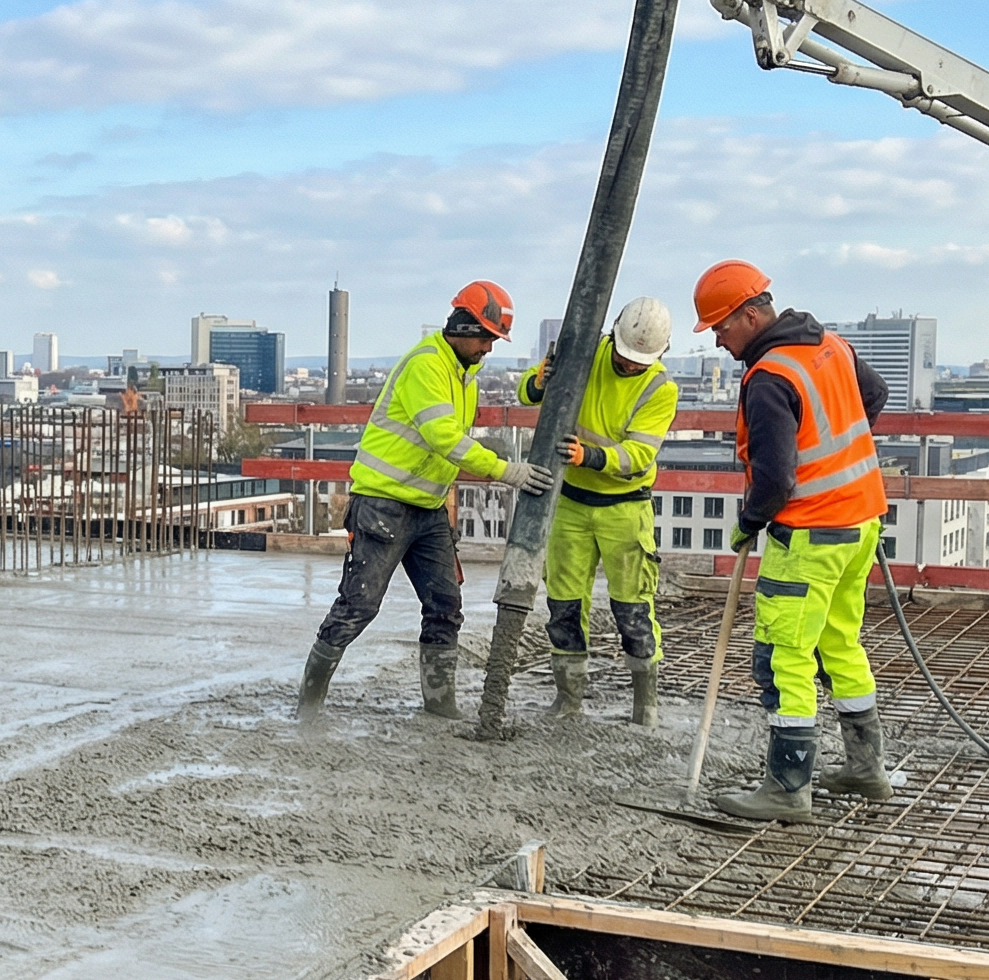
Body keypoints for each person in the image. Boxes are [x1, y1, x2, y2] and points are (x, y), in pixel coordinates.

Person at [297, 281, 557, 721]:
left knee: (445, 605)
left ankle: (441, 706)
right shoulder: (427, 366)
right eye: (487, 337)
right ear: (464, 327)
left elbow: (478, 422)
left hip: (428, 509)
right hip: (383, 504)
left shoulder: (463, 375)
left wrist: (538, 381)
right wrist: (505, 470)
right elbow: (443, 438)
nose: (489, 348)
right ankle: (309, 703)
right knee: (358, 606)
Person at [692, 260, 892, 823]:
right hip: (861, 523)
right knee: (840, 645)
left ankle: (787, 787)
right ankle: (866, 769)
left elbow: (776, 479)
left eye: (721, 326)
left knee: (785, 657)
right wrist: (839, 464)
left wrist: (751, 519)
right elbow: (872, 397)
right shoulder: (831, 345)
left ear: (752, 314)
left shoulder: (770, 378)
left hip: (807, 535)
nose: (717, 337)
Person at [519, 297, 679, 725]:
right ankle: (568, 698)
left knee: (633, 610)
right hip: (572, 504)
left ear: (660, 354)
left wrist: (589, 457)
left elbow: (639, 454)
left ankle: (645, 705)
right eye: (626, 358)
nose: (630, 367)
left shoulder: (660, 389)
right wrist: (540, 382)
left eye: (639, 362)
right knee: (564, 605)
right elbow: (528, 394)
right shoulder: (585, 356)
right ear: (613, 338)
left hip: (624, 509)